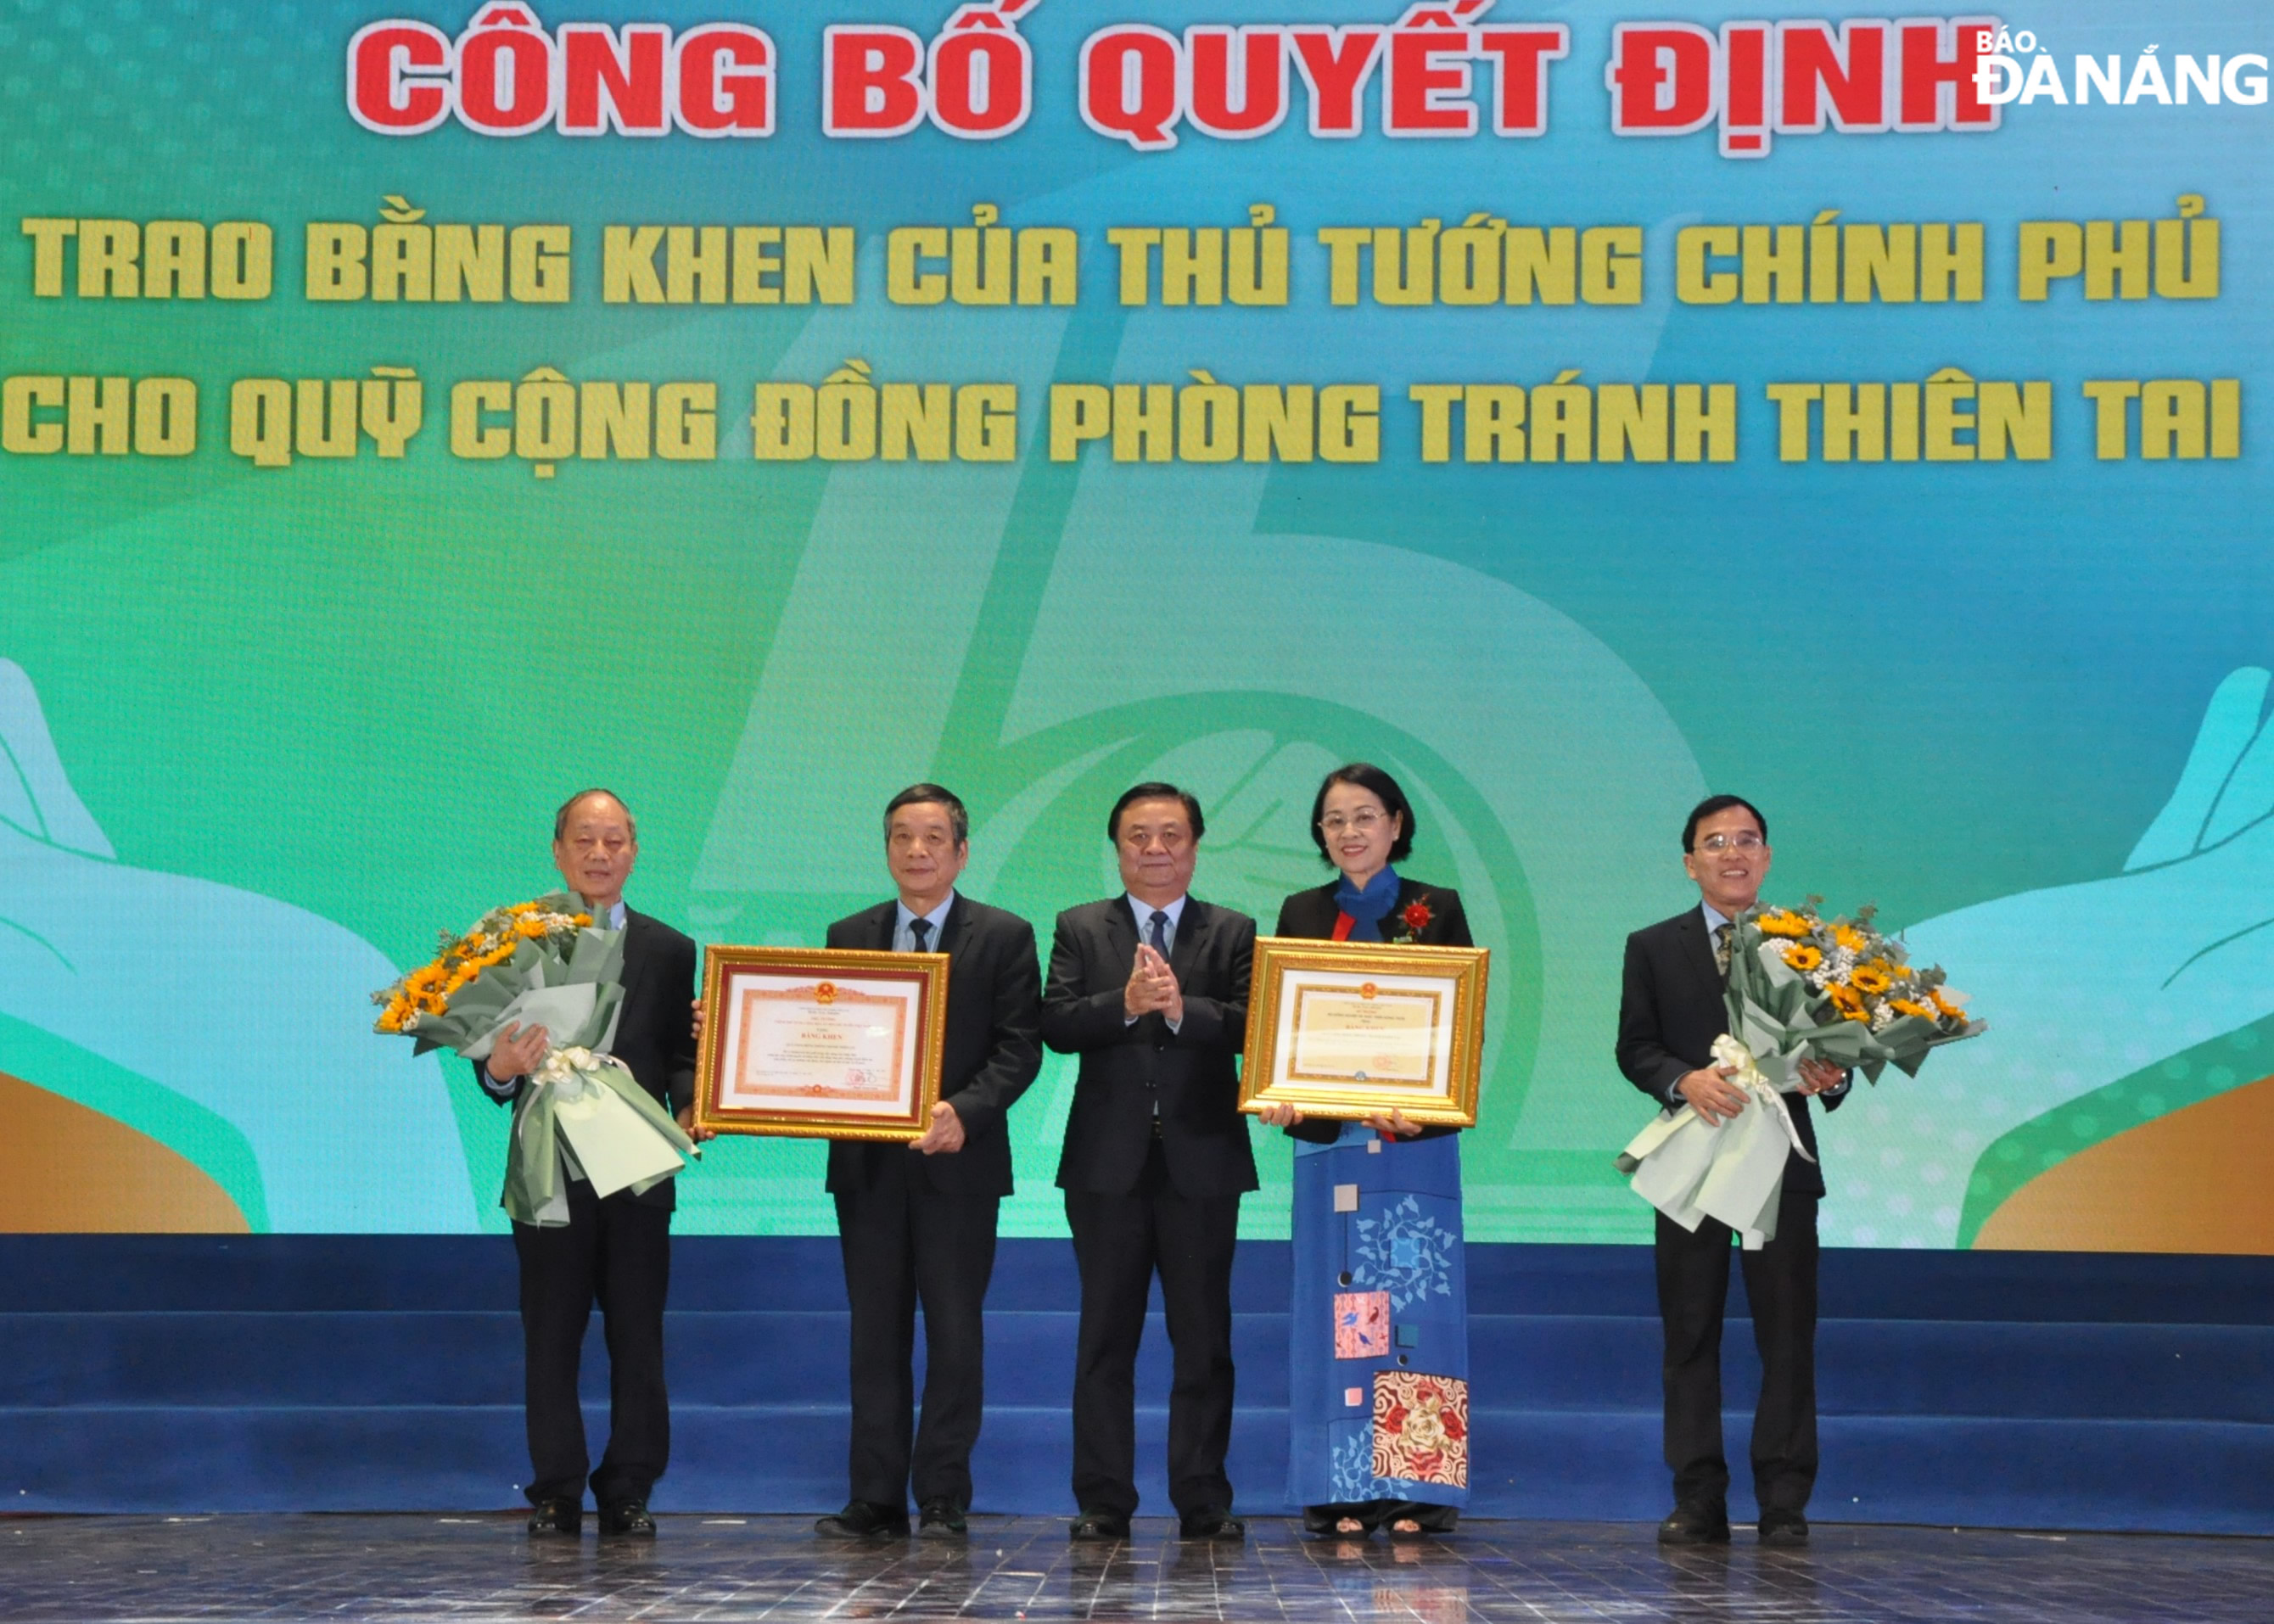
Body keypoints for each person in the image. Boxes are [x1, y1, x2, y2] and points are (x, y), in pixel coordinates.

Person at [1616, 793, 1849, 1548]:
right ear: (1691, 863)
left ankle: (1784, 1502)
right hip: (1693, 1162)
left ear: (1768, 856)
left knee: (1787, 1335)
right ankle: (1698, 1499)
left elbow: (1835, 1050)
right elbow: (1636, 1047)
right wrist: (1683, 1080)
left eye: (1748, 839)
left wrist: (1829, 1076)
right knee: (1690, 1333)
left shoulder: (1806, 948)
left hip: (1781, 1165)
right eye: (1715, 842)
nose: (1733, 852)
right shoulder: (1651, 945)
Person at [811, 784, 1043, 1541]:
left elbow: (1020, 1050)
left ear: (961, 851)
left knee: (953, 1331)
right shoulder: (849, 934)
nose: (917, 851)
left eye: (933, 838)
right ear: (886, 849)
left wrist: (963, 1115)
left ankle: (943, 1493)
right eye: (902, 837)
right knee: (872, 1334)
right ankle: (874, 1496)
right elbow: (826, 1040)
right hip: (868, 1170)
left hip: (959, 1167)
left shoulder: (1004, 935)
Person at [1257, 762, 1475, 1540]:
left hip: (1412, 1142)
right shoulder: (1301, 910)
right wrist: (1280, 1089)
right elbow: (1283, 1024)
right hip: (1332, 1145)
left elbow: (1455, 1025)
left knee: (1417, 1310)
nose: (1349, 832)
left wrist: (1427, 1100)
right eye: (1333, 820)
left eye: (1364, 816)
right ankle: (1338, 1485)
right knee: (1338, 1305)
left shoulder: (1435, 909)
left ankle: (1419, 1486)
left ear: (1396, 823)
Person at [479, 787, 701, 1540]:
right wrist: (501, 1067)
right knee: (551, 1336)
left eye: (614, 841)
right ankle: (556, 1491)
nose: (599, 854)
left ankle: (630, 1487)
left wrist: (692, 1103)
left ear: (634, 852)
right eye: (585, 841)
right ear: (558, 851)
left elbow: (679, 1054)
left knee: (639, 1336)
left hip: (636, 1168)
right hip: (549, 1168)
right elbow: (493, 1065)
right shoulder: (516, 940)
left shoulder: (670, 949)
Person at [1041, 781, 1257, 1543]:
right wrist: (1126, 1003)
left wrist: (1177, 1010)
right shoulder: (1079, 928)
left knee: (1204, 1340)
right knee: (1105, 1339)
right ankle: (1104, 1500)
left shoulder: (1233, 930)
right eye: (1139, 836)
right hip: (1106, 1166)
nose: (1155, 849)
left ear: (1195, 847)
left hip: (1203, 1161)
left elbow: (1250, 1027)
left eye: (1171, 835)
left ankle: (1204, 1498)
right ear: (1118, 846)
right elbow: (1057, 1024)